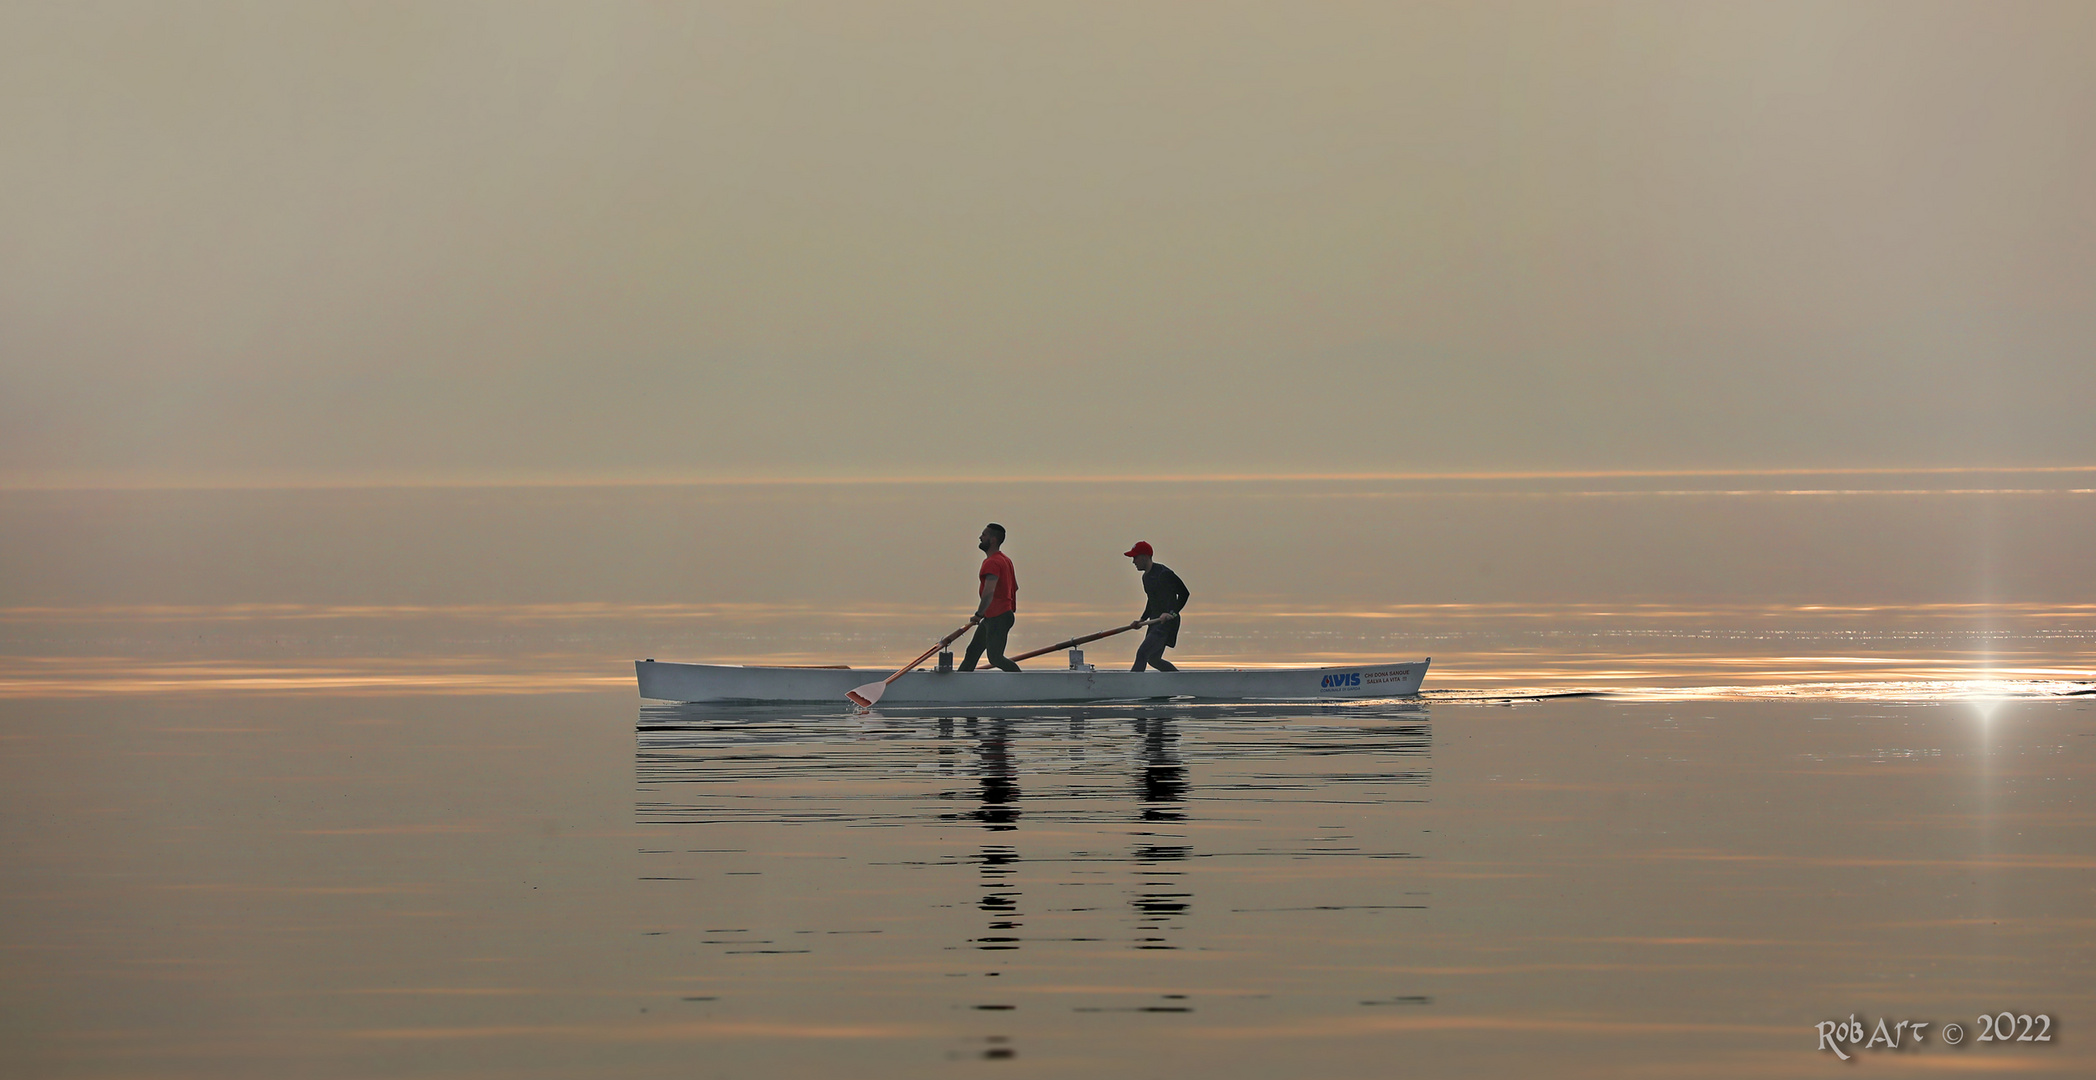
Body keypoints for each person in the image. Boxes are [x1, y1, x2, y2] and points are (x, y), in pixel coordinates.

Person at [961, 523, 1022, 672]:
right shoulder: (1005, 560)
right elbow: (1015, 587)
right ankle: (959, 684)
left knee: (995, 658)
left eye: (984, 535)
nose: (980, 537)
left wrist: (978, 615)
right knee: (972, 652)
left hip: (998, 617)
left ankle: (1022, 682)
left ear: (993, 540)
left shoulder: (993, 562)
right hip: (992, 617)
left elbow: (989, 592)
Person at [1124, 541, 1189, 672]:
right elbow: (1151, 600)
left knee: (1142, 653)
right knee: (1153, 659)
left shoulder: (1164, 573)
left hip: (1167, 623)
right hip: (1154, 621)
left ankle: (1132, 687)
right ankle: (1179, 682)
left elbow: (1184, 593)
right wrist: (1142, 620)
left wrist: (1172, 613)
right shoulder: (1146, 577)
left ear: (1144, 557)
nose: (1133, 562)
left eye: (1135, 557)